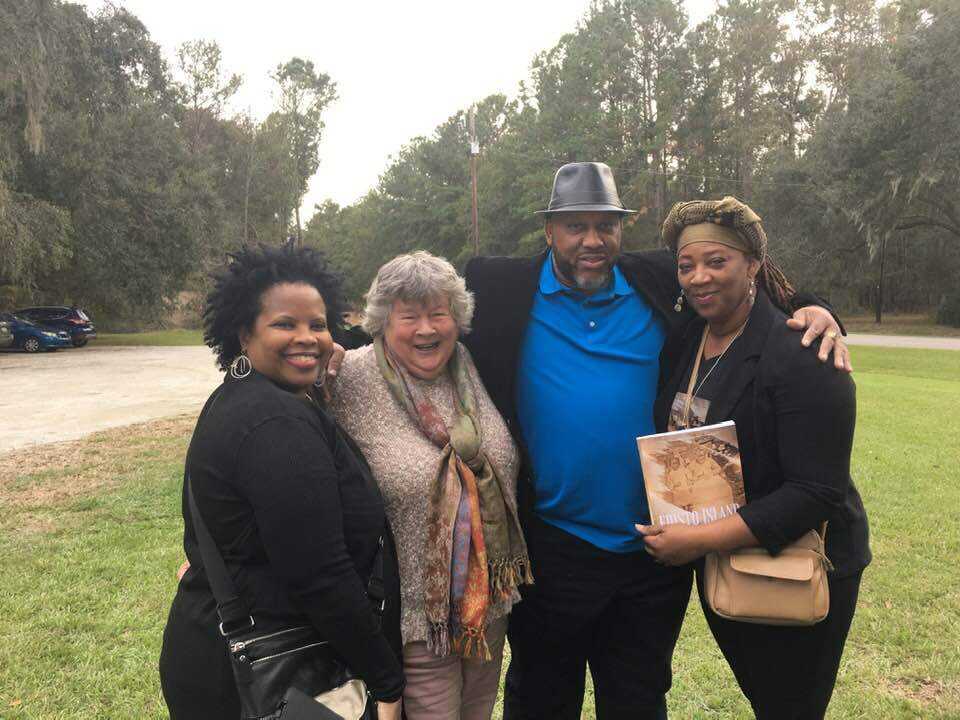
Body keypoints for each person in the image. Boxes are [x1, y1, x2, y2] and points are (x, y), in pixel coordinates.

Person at [460, 162, 850, 719]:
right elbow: (421, 312)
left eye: (606, 226)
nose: (592, 241)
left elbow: (750, 279)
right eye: (576, 226)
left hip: (653, 551)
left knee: (639, 700)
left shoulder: (662, 278)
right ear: (550, 231)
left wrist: (818, 310)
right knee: (541, 698)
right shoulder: (500, 287)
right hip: (551, 547)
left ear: (621, 230)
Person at [638, 198, 870, 719]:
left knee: (790, 706)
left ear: (754, 266)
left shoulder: (804, 352)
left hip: (798, 566)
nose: (699, 277)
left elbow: (816, 492)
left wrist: (694, 541)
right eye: (686, 265)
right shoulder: (686, 340)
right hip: (724, 560)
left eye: (717, 262)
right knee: (764, 698)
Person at [159, 243, 404, 720]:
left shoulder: (241, 397)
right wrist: (387, 682)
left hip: (229, 654)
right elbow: (321, 575)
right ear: (242, 331)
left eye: (317, 324)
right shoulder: (276, 424)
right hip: (272, 677)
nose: (307, 338)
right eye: (284, 324)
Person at [327, 251, 530, 720]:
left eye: (438, 313)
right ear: (381, 321)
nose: (427, 329)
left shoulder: (470, 367)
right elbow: (283, 452)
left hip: (489, 604)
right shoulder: (348, 377)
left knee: (478, 711)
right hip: (415, 616)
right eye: (410, 316)